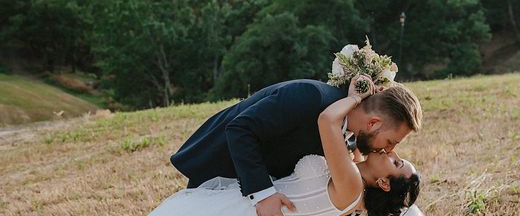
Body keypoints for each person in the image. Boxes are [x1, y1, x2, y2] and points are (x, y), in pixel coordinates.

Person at [151, 75, 421, 216]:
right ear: (373, 124)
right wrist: (263, 193)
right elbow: (240, 129)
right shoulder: (311, 98)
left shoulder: (348, 136)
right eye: (390, 142)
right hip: (226, 171)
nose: (387, 150)